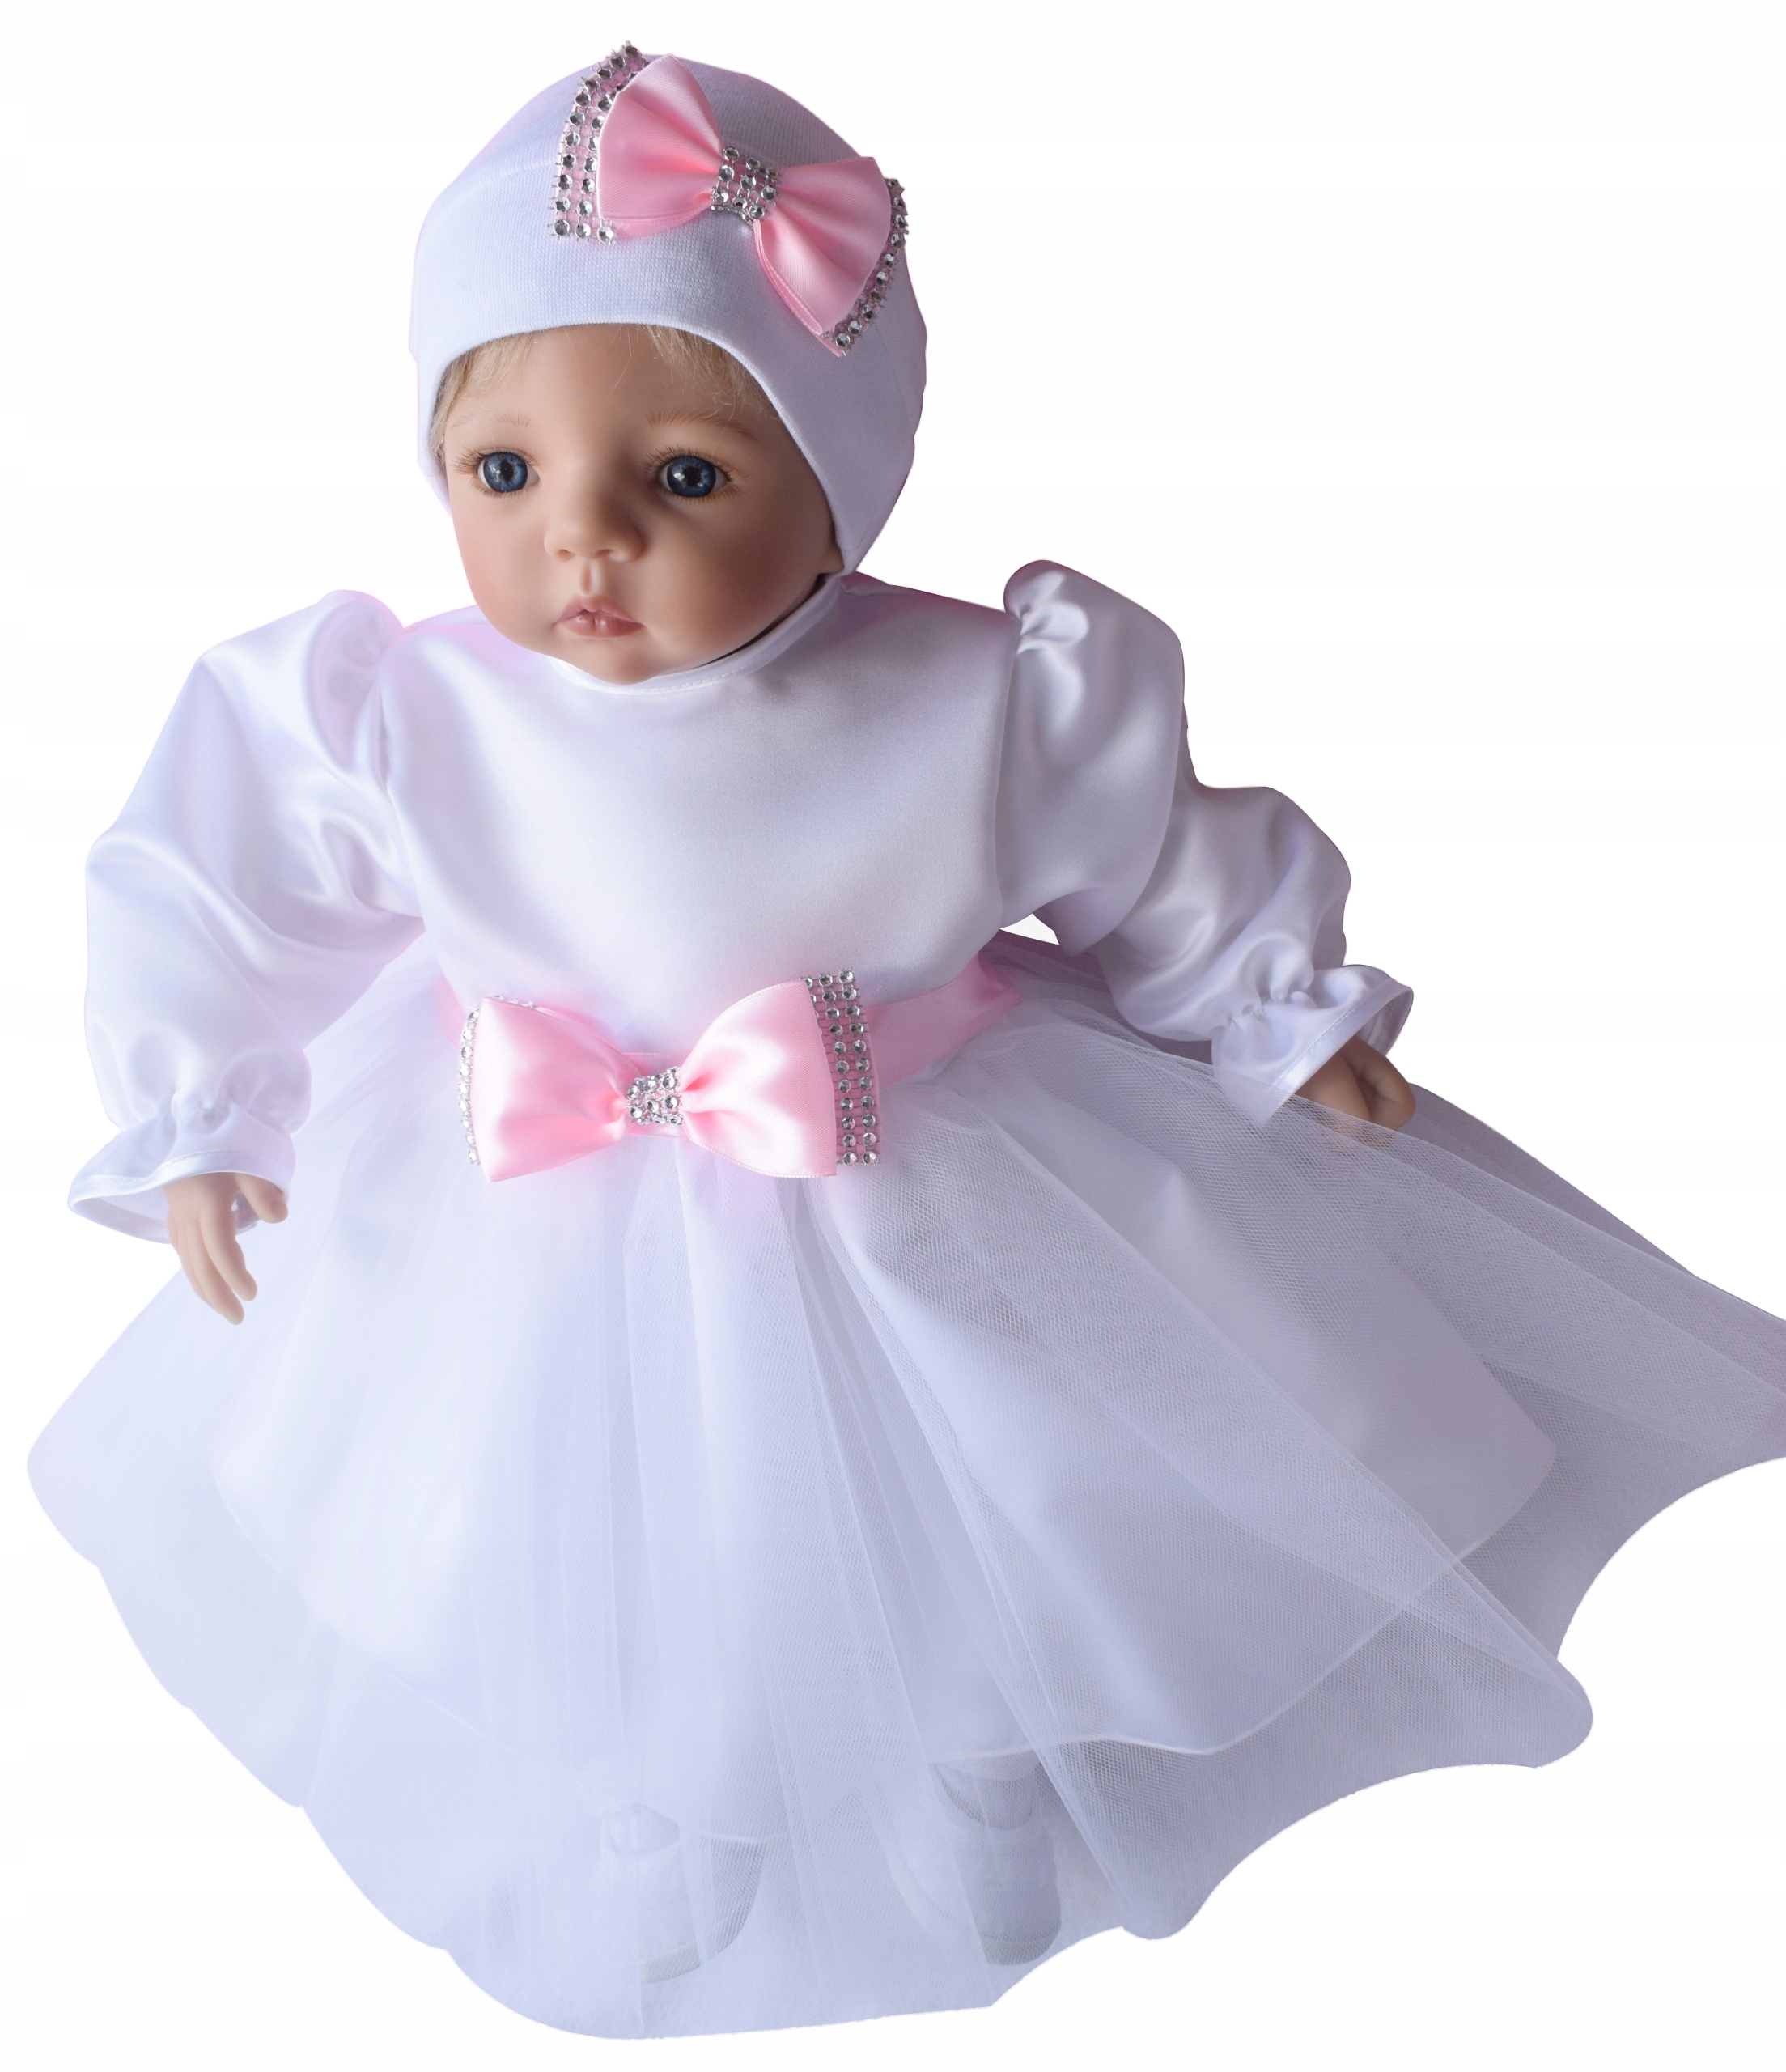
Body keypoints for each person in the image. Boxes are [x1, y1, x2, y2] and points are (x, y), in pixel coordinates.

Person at [28, 45, 1786, 2040]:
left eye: (683, 477)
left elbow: (1149, 852)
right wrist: (206, 1101)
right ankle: (653, 1778)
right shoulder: (398, 716)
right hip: (534, 1214)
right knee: (583, 1534)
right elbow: (227, 880)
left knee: (993, 1495)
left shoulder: (981, 695)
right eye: (502, 474)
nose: (582, 541)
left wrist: (1268, 999)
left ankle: (979, 1746)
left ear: (839, 484)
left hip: (921, 1170)